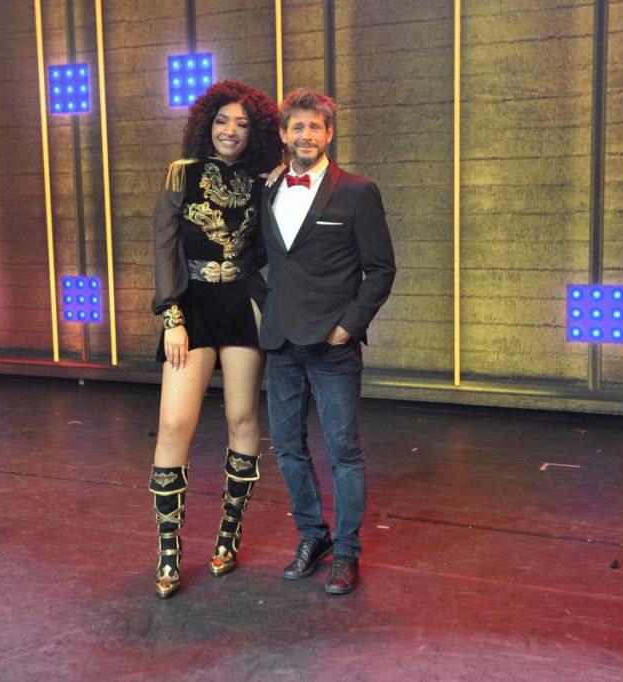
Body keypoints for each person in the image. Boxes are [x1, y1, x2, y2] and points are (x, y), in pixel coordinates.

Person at [257, 88, 396, 595]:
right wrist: (268, 304)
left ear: (329, 133)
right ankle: (312, 536)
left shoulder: (358, 192)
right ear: (283, 134)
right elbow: (258, 260)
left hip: (333, 347)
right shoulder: (267, 190)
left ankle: (347, 552)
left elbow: (381, 270)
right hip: (281, 344)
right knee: (288, 448)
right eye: (297, 126)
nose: (306, 135)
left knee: (343, 451)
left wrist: (348, 326)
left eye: (315, 126)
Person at [149, 81, 282, 599]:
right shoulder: (181, 173)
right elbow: (164, 247)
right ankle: (168, 550)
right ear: (207, 124)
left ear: (256, 133)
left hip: (241, 303)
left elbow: (268, 248)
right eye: (223, 121)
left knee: (243, 419)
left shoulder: (261, 182)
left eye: (243, 124)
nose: (231, 131)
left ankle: (229, 535)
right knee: (173, 424)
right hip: (192, 307)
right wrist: (172, 317)